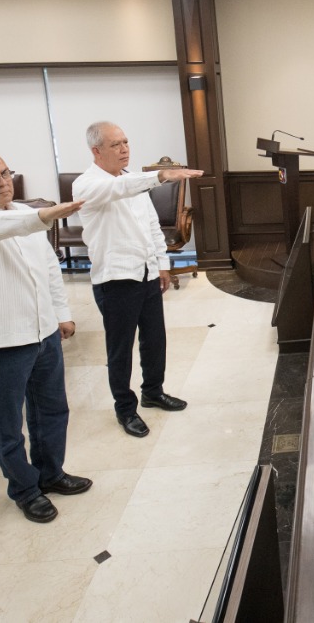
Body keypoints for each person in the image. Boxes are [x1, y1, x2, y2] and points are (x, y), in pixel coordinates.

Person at [0, 150, 91, 523]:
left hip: (43, 333)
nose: (2, 182)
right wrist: (42, 217)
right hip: (0, 343)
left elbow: (49, 268)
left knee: (52, 410)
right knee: (8, 425)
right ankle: (25, 490)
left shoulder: (23, 213)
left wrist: (61, 314)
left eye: (5, 173)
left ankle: (51, 473)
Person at [73, 121, 203, 438]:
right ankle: (125, 409)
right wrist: (161, 176)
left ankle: (153, 392)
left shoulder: (132, 180)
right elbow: (118, 189)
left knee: (155, 339)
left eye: (126, 142)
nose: (124, 149)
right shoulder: (87, 185)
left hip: (146, 272)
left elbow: (151, 226)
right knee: (120, 349)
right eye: (115, 144)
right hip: (116, 279)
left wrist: (162, 264)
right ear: (96, 151)